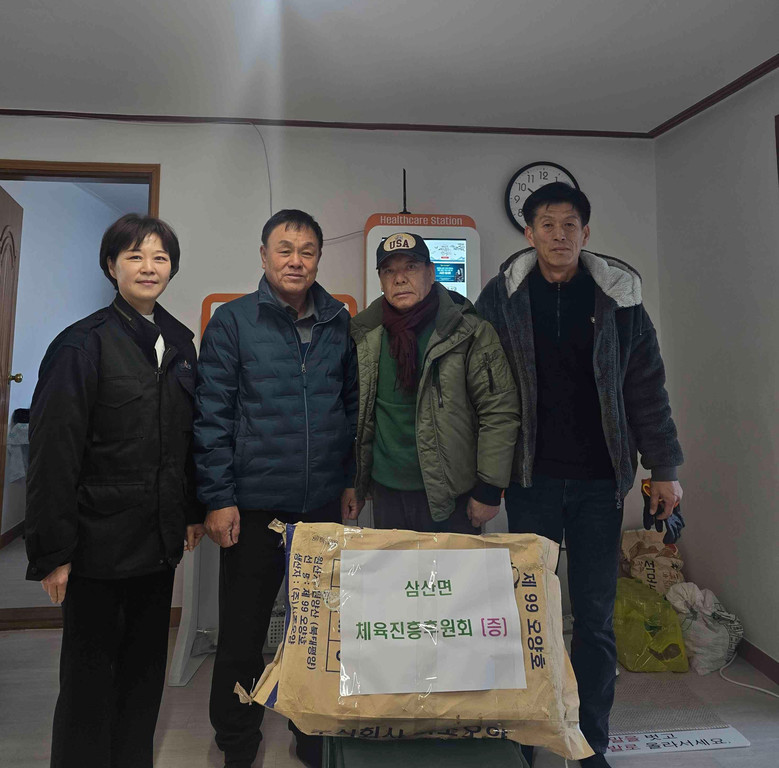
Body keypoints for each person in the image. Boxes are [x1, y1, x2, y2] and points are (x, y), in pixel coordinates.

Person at [476, 183, 684, 767]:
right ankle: (527, 738)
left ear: (585, 233)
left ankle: (591, 741)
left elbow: (646, 388)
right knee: (528, 616)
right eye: (547, 224)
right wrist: (485, 478)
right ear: (529, 233)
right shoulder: (502, 297)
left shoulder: (619, 297)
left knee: (594, 619)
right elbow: (484, 388)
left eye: (570, 224)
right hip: (531, 480)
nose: (559, 235)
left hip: (599, 481)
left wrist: (664, 468)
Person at [25, 213, 205, 768]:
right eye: (134, 256)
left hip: (158, 543)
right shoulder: (81, 345)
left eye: (160, 258)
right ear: (111, 266)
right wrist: (53, 552)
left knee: (144, 677)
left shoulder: (180, 341)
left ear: (172, 268)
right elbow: (53, 454)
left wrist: (191, 511)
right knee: (89, 682)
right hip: (96, 545)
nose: (148, 268)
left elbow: (187, 438)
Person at [194, 209, 358, 768]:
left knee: (317, 630)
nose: (296, 260)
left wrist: (349, 479)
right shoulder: (233, 321)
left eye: (307, 251)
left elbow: (350, 407)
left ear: (318, 259)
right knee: (243, 634)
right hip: (254, 506)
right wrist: (218, 498)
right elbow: (211, 417)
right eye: (284, 249)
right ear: (264, 256)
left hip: (321, 503)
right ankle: (237, 740)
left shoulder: (338, 322)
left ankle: (311, 732)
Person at [348, 231, 519, 532]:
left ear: (431, 272)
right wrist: (355, 483)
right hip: (386, 494)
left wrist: (489, 489)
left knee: (452, 567)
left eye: (410, 267)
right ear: (381, 280)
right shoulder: (364, 334)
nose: (400, 279)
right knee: (393, 565)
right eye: (389, 271)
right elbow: (358, 418)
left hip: (452, 496)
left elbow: (499, 411)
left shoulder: (470, 332)